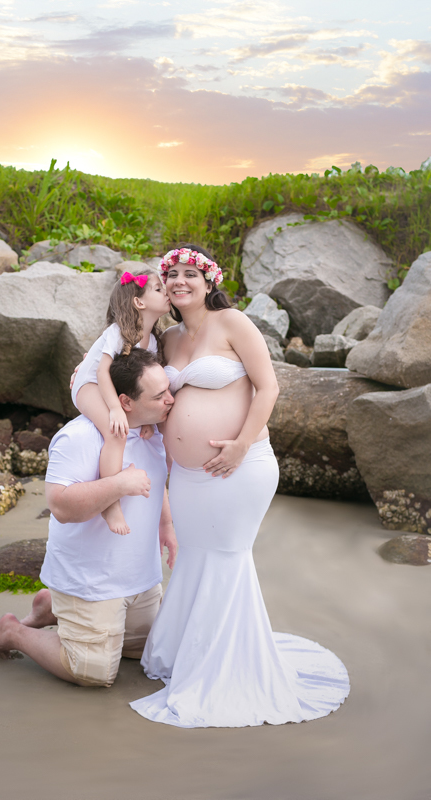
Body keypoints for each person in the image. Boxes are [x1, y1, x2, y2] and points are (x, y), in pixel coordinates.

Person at [129, 245, 350, 728]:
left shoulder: (234, 323)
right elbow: (150, 389)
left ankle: (223, 669)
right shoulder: (166, 340)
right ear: (163, 286)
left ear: (209, 282)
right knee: (195, 557)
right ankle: (188, 655)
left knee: (226, 557)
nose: (180, 281)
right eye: (172, 275)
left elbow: (268, 386)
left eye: (191, 273)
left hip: (239, 469)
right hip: (186, 478)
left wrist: (241, 445)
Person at [0, 349, 178, 688]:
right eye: (160, 395)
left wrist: (167, 525)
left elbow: (158, 480)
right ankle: (13, 631)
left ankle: (51, 609)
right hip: (92, 581)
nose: (171, 400)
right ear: (125, 402)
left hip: (142, 579)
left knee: (153, 653)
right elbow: (60, 505)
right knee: (94, 671)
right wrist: (119, 484)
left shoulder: (152, 431)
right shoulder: (79, 437)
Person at [71, 268, 170, 536]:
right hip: (88, 384)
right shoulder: (120, 331)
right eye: (159, 289)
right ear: (139, 302)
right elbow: (101, 371)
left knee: (132, 430)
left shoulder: (151, 338)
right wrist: (115, 409)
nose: (166, 292)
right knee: (115, 434)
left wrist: (147, 420)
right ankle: (110, 504)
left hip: (110, 387)